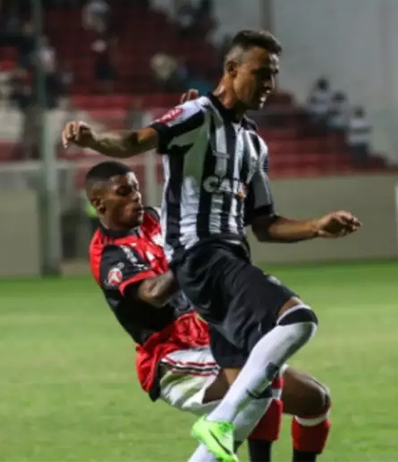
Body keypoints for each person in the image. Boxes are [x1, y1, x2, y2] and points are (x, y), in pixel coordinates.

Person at [62, 29, 361, 462]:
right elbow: (134, 142)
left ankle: (219, 432)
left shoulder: (253, 145)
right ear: (232, 69)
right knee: (297, 321)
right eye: (261, 74)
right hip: (200, 275)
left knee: (292, 394)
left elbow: (266, 224)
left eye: (274, 75)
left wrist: (317, 226)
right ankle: (220, 421)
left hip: (214, 300)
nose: (269, 85)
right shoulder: (197, 118)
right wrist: (92, 140)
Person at [85, 161, 331, 462]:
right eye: (124, 192)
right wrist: (195, 252)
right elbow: (154, 295)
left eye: (135, 188)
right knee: (260, 387)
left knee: (314, 400)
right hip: (172, 358)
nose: (135, 196)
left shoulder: (154, 219)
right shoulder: (109, 252)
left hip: (209, 336)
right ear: (98, 202)